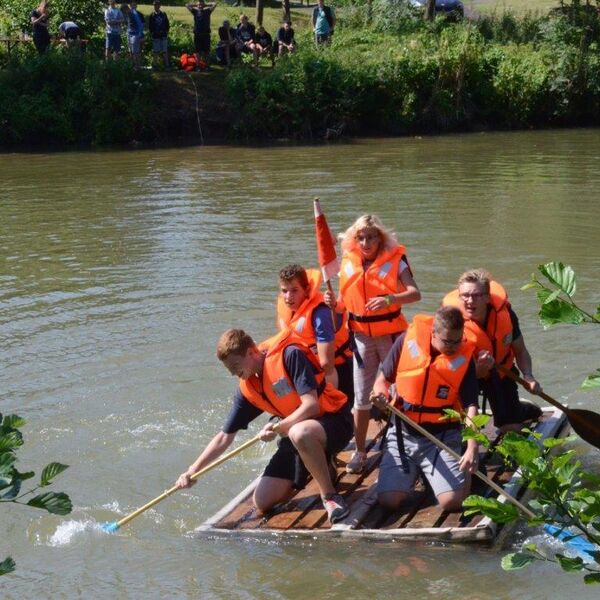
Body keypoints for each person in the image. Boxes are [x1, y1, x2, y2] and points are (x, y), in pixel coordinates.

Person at [175, 328, 354, 524]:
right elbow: (224, 437)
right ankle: (324, 466)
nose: (234, 373)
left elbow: (311, 405)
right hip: (297, 436)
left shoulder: (290, 355)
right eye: (229, 370)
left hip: (334, 422)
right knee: (262, 501)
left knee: (299, 432)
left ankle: (329, 497)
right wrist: (192, 470)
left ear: (252, 352)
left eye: (235, 365)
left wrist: (279, 427)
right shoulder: (248, 388)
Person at [324, 214, 421, 474]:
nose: (366, 243)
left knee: (398, 392)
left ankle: (406, 444)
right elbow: (346, 303)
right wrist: (334, 304)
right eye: (361, 238)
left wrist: (390, 300)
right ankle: (360, 451)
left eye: (371, 237)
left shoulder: (396, 260)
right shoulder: (348, 262)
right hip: (360, 336)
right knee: (362, 395)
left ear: (380, 238)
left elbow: (415, 293)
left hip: (391, 335)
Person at [372, 306, 480, 512]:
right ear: (433, 333)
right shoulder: (406, 341)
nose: (454, 346)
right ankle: (419, 473)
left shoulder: (464, 359)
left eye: (458, 340)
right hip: (404, 433)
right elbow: (382, 380)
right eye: (448, 341)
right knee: (389, 501)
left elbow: (471, 407)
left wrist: (472, 446)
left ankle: (464, 474)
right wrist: (381, 396)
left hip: (442, 437)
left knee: (452, 502)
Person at [443, 269, 543, 432]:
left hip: (501, 372)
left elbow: (520, 350)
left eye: (476, 295)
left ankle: (522, 409)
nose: (469, 301)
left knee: (511, 428)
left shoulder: (505, 314)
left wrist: (528, 376)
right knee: (457, 430)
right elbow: (448, 369)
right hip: (465, 378)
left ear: (488, 298)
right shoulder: (451, 321)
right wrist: (479, 370)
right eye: (465, 295)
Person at [276, 264, 354, 404]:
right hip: (308, 369)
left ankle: (332, 407)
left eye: (294, 290)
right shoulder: (286, 308)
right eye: (284, 291)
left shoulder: (320, 313)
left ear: (306, 290)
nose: (288, 297)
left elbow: (327, 364)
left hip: (339, 371)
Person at [186, 0, 217, 68]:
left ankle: (207, 66)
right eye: (199, 4)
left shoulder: (207, 11)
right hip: (197, 34)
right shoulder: (195, 11)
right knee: (197, 51)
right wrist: (196, 5)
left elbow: (215, 4)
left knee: (207, 52)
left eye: (201, 4)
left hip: (206, 34)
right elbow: (187, 5)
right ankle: (198, 66)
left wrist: (205, 5)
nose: (200, 6)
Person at [148, 0, 170, 69]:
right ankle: (155, 65)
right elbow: (150, 25)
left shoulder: (163, 14)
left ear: (159, 6)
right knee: (155, 51)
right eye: (154, 5)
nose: (156, 6)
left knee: (165, 51)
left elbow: (167, 24)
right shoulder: (152, 15)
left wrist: (166, 32)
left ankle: (167, 66)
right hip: (155, 35)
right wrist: (152, 32)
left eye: (157, 5)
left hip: (163, 35)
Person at [123, 1, 145, 68]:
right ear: (130, 6)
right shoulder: (128, 14)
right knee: (131, 51)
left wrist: (141, 35)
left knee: (137, 52)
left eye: (134, 5)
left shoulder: (139, 14)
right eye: (131, 5)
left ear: (136, 5)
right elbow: (127, 23)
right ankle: (133, 66)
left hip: (136, 35)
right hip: (129, 34)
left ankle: (137, 66)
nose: (133, 6)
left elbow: (141, 25)